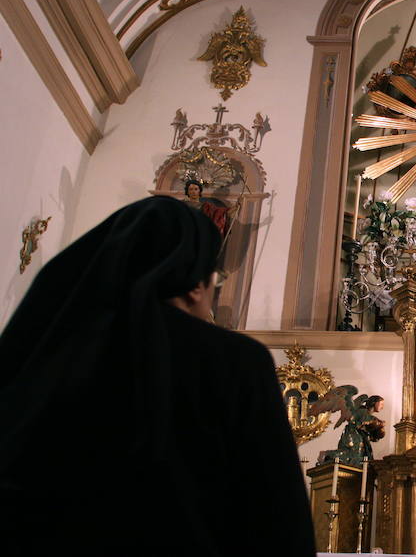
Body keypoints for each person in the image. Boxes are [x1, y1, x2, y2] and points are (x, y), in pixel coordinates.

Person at [0, 197, 315, 556]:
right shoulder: (234, 362)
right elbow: (278, 524)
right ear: (196, 284)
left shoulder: (52, 355)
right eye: (214, 282)